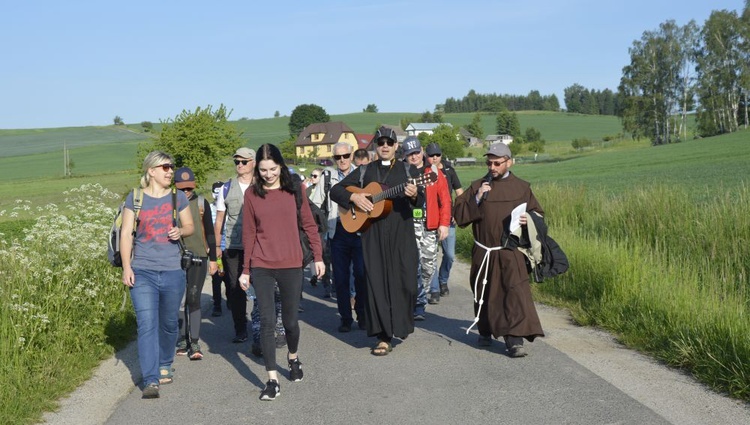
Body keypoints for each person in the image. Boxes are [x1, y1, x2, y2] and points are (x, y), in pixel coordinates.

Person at [239, 143, 324, 401]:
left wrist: (318, 258)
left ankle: (293, 358)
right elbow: (249, 233)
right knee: (266, 321)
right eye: (263, 170)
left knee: (289, 322)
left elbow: (309, 225)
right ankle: (272, 379)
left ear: (281, 166)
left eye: (273, 168)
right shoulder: (252, 195)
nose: (268, 174)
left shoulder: (295, 190)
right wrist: (245, 269)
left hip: (291, 264)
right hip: (262, 265)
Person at [330, 126, 423, 356]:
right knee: (378, 284)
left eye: (389, 143)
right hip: (373, 235)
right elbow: (336, 191)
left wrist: (414, 195)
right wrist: (354, 197)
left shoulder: (409, 170)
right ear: (375, 146)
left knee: (406, 281)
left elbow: (421, 201)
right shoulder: (364, 172)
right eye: (380, 142)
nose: (384, 146)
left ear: (395, 146)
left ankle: (400, 325)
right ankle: (383, 337)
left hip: (402, 235)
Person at [453, 143, 545, 358]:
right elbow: (460, 215)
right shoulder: (478, 186)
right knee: (484, 293)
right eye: (489, 163)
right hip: (484, 251)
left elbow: (538, 215)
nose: (492, 167)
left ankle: (514, 341)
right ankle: (485, 331)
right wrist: (477, 199)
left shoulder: (522, 188)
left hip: (510, 251)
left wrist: (528, 219)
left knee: (514, 293)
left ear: (509, 162)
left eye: (497, 163)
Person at [120, 151, 195, 399]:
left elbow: (190, 226)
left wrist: (180, 231)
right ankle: (151, 379)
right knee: (146, 325)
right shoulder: (136, 198)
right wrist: (127, 268)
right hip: (143, 272)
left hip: (173, 271)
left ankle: (165, 362)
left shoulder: (178, 198)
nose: (170, 171)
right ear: (151, 171)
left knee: (169, 323)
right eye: (165, 167)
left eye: (171, 167)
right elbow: (126, 234)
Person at [310, 141, 367, 332]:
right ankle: (345, 317)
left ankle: (362, 314)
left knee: (361, 275)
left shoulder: (361, 174)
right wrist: (322, 225)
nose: (341, 160)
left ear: (351, 156)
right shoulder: (328, 177)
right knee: (341, 278)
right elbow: (314, 204)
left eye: (345, 156)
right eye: (337, 157)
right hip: (337, 232)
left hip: (360, 232)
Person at [402, 137, 451, 320]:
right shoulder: (402, 172)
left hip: (429, 225)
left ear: (422, 151)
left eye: (416, 152)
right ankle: (417, 305)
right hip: (407, 226)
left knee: (428, 267)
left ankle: (419, 296)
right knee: (411, 265)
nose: (413, 157)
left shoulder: (435, 173)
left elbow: (445, 200)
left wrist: (444, 224)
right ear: (405, 156)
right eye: (409, 154)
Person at [173, 167, 218, 360]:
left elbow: (209, 232)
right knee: (179, 300)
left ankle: (195, 342)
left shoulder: (201, 203)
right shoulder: (168, 204)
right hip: (175, 257)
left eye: (189, 188)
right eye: (182, 189)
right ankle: (182, 339)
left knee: (193, 297)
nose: (186, 192)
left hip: (200, 256)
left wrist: (214, 259)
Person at [214, 147, 255, 343]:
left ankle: (261, 325)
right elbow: (219, 219)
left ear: (253, 162)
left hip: (259, 246)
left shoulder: (264, 185)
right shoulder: (226, 188)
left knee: (261, 286)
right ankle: (241, 328)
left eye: (244, 162)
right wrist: (216, 247)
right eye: (237, 162)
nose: (239, 165)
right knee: (234, 287)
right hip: (233, 245)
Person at [425, 142, 464, 303]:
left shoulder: (449, 171)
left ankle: (443, 279)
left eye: (437, 155)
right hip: (429, 219)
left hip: (447, 219)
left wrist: (456, 212)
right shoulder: (423, 172)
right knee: (431, 255)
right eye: (431, 155)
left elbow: (460, 193)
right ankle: (434, 289)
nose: (434, 158)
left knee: (449, 255)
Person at [210, 181, 227, 317]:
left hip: (230, 247)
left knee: (230, 277)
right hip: (216, 249)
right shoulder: (209, 209)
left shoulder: (229, 207)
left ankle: (231, 299)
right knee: (216, 277)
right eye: (215, 191)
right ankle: (217, 304)